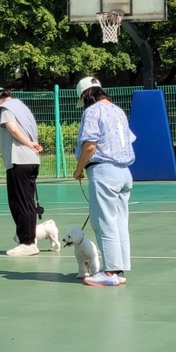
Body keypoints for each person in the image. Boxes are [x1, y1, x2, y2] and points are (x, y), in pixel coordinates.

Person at [73, 76, 136, 287]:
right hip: (124, 172)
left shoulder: (92, 112)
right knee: (119, 223)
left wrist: (78, 168)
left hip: (103, 171)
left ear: (85, 95)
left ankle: (109, 272)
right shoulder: (118, 110)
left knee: (103, 222)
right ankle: (118, 269)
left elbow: (90, 146)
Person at [0, 87, 43, 257]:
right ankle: (30, 239)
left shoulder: (6, 108)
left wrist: (28, 144)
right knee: (27, 202)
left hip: (18, 160)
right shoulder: (22, 106)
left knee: (19, 203)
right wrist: (32, 145)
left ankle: (26, 242)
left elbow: (12, 128)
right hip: (32, 161)